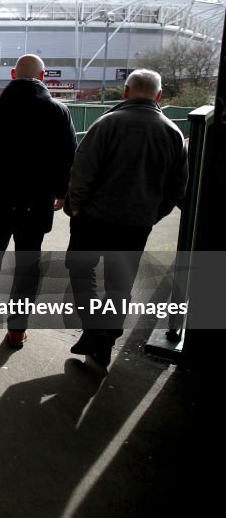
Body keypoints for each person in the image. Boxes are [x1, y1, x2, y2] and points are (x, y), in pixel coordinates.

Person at [64, 69, 187, 368]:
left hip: (93, 217)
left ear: (127, 91)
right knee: (120, 282)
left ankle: (94, 329)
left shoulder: (106, 123)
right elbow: (177, 187)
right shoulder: (172, 133)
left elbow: (83, 169)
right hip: (137, 222)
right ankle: (106, 335)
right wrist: (154, 213)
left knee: (81, 271)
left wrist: (76, 206)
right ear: (158, 96)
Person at [0, 54, 77, 349]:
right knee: (28, 261)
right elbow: (69, 156)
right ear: (43, 77)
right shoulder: (59, 111)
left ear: (14, 74)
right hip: (36, 201)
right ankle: (17, 330)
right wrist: (60, 191)